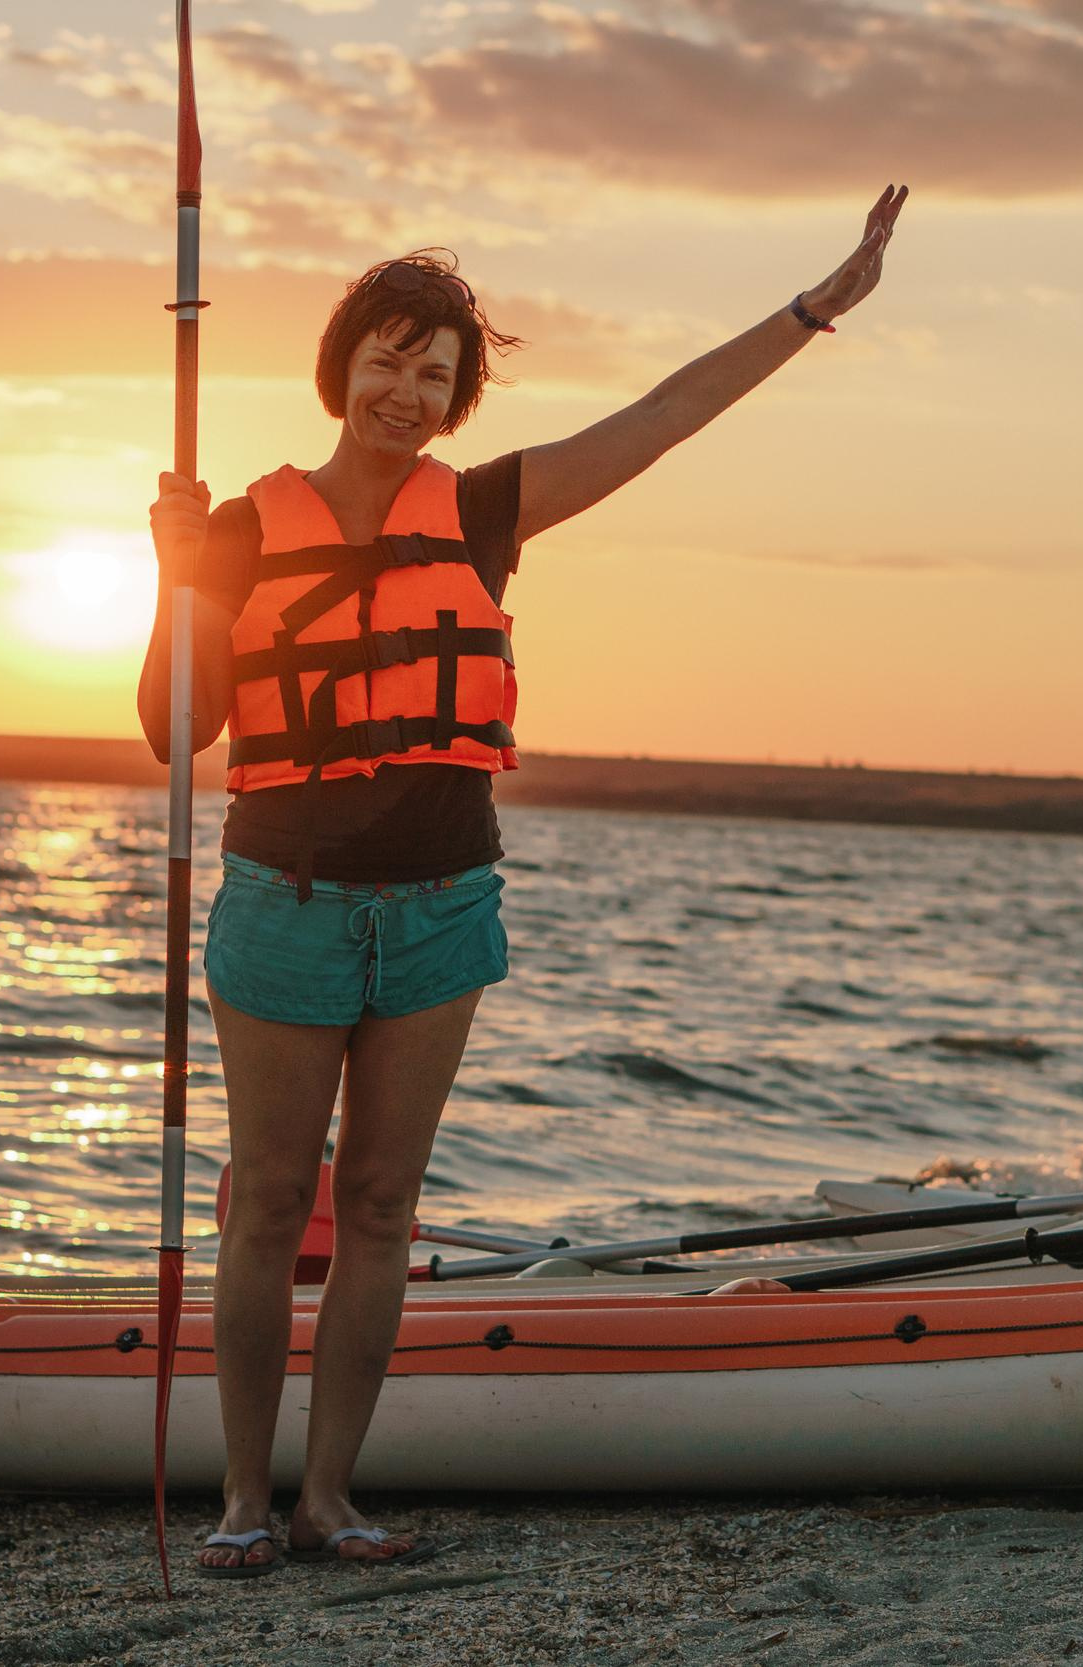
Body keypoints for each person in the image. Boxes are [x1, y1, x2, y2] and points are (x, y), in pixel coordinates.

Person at [139, 186, 909, 1577]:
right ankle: (245, 1501)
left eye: (435, 374)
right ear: (343, 366)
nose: (405, 389)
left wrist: (813, 310)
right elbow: (174, 729)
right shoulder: (246, 527)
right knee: (266, 1204)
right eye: (385, 358)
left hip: (441, 909)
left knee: (378, 1207)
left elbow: (665, 417)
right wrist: (174, 574)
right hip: (286, 902)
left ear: (454, 402)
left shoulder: (487, 510)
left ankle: (331, 1501)